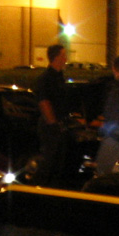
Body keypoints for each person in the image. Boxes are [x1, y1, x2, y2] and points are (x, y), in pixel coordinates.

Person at [34, 43, 70, 186]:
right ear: (57, 57)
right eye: (64, 55)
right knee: (49, 162)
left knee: (58, 163)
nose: (66, 58)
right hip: (50, 127)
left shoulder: (59, 76)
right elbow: (44, 102)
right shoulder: (46, 78)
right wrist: (53, 124)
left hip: (58, 124)